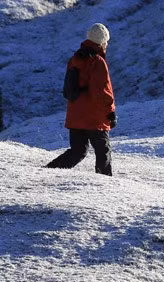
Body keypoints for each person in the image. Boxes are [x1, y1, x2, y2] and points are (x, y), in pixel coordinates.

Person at [45, 23, 116, 176]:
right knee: (103, 151)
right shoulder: (97, 62)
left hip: (75, 115)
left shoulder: (75, 59)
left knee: (78, 152)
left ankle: (48, 172)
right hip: (94, 118)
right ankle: (106, 183)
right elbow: (103, 90)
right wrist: (110, 113)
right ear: (102, 42)